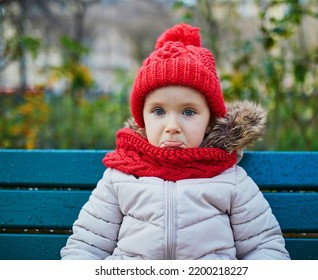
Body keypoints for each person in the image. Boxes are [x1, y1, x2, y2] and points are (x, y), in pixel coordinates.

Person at [60, 23, 290, 260]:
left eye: (189, 112)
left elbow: (264, 248)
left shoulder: (229, 179)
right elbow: (86, 247)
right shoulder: (121, 177)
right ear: (143, 120)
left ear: (210, 121)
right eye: (158, 111)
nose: (172, 126)